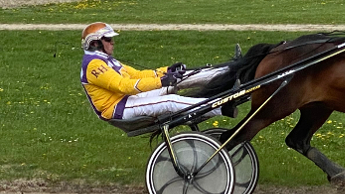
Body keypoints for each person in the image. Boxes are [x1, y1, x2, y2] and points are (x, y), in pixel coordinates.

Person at [80, 22, 237, 122]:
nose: (113, 42)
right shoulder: (94, 65)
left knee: (178, 79)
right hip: (117, 109)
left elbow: (137, 75)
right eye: (108, 39)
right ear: (95, 43)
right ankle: (220, 107)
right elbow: (123, 86)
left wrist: (166, 72)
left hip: (129, 99)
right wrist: (161, 81)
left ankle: (228, 71)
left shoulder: (105, 60)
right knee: (169, 101)